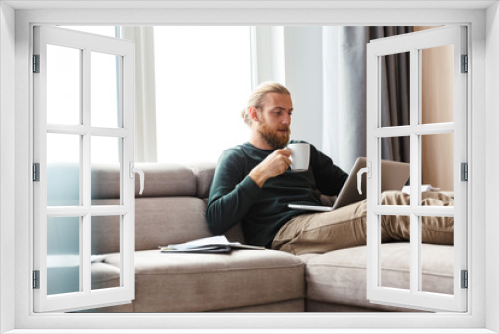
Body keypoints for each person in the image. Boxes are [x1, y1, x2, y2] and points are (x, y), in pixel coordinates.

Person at [205, 82, 454, 255]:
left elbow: (348, 187)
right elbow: (216, 219)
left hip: (320, 220)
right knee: (387, 207)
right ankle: (476, 232)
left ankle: (474, 216)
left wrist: (400, 188)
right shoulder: (236, 157)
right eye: (277, 113)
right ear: (255, 115)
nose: (286, 121)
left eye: (289, 113)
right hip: (284, 234)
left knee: (423, 196)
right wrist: (260, 173)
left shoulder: (301, 149)